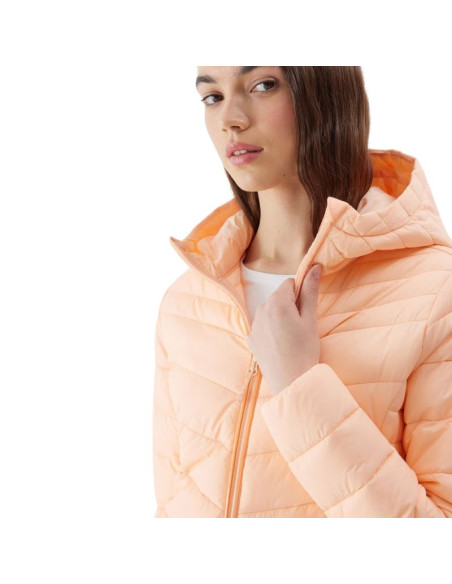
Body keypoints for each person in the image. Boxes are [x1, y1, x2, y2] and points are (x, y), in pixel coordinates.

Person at [152, 66, 452, 518]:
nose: (230, 118)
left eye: (263, 85)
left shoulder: (433, 290)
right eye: (213, 97)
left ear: (326, 92)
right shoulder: (188, 301)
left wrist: (300, 386)